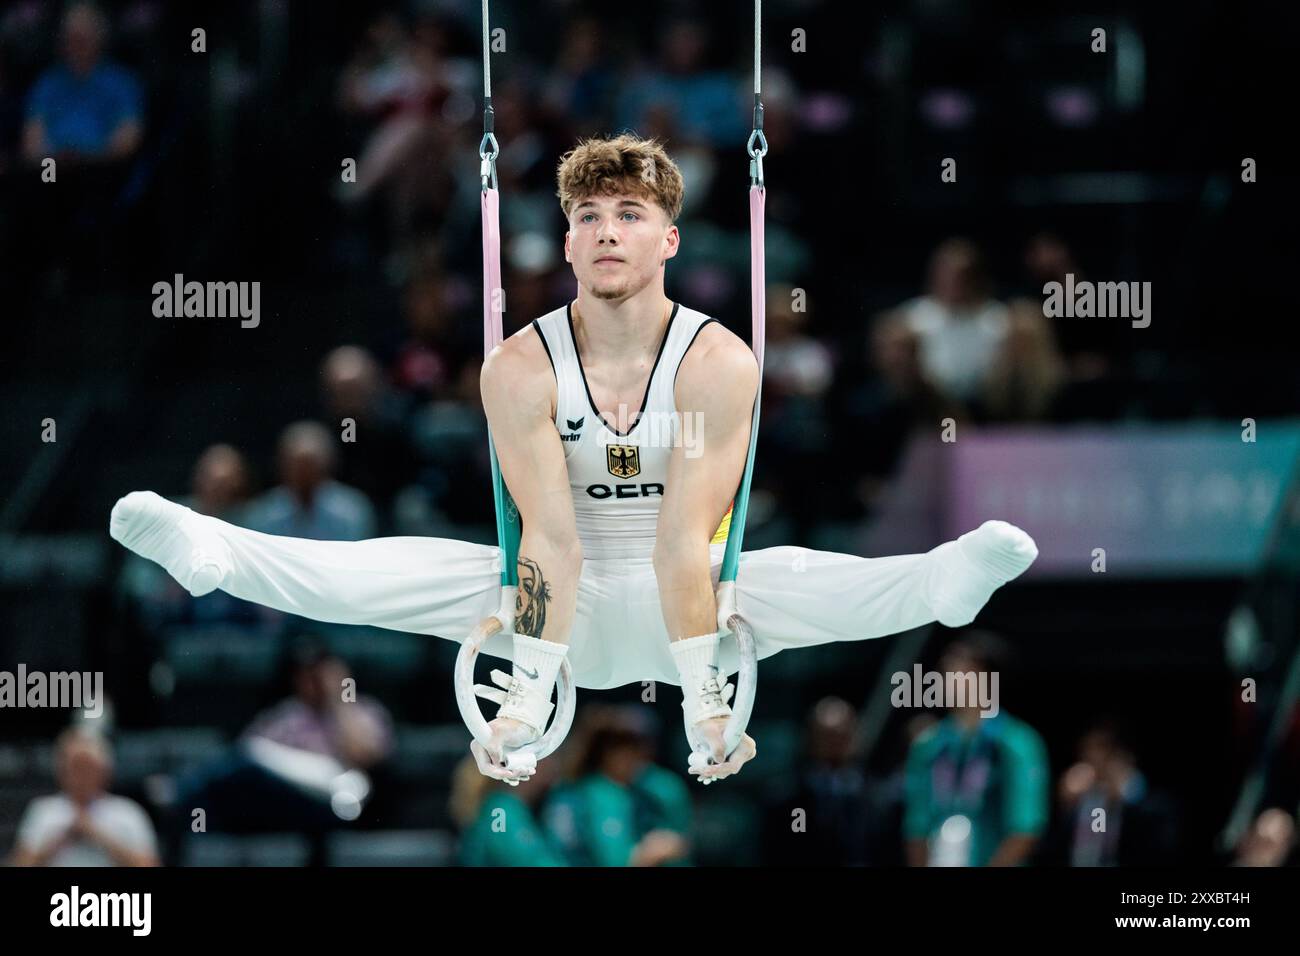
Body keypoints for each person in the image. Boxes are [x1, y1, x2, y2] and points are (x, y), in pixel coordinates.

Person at [108, 134, 1038, 786]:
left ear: (668, 240)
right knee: (409, 572)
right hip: (551, 605)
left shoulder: (718, 362)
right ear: (565, 241)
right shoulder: (518, 366)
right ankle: (218, 553)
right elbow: (549, 540)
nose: (604, 229)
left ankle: (939, 584)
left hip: (698, 601)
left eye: (628, 213)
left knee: (784, 578)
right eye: (587, 214)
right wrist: (520, 706)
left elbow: (683, 541)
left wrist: (708, 709)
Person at [9, 728, 159, 867]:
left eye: (88, 768)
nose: (81, 777)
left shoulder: (128, 812)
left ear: (105, 771)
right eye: (74, 767)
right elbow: (20, 863)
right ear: (61, 771)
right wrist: (62, 838)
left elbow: (149, 864)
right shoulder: (43, 811)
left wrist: (97, 835)